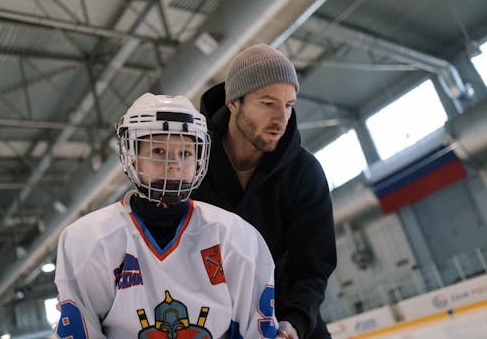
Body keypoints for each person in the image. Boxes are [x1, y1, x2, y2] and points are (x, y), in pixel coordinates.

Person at [53, 93, 282, 338]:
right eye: (159, 150)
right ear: (132, 156)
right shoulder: (89, 239)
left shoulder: (235, 237)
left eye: (185, 153)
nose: (174, 164)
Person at [192, 44, 337, 339]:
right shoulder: (191, 166)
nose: (281, 118)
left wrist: (294, 322)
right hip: (209, 324)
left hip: (287, 321)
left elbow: (312, 266)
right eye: (268, 103)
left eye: (288, 104)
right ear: (234, 102)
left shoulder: (304, 173)